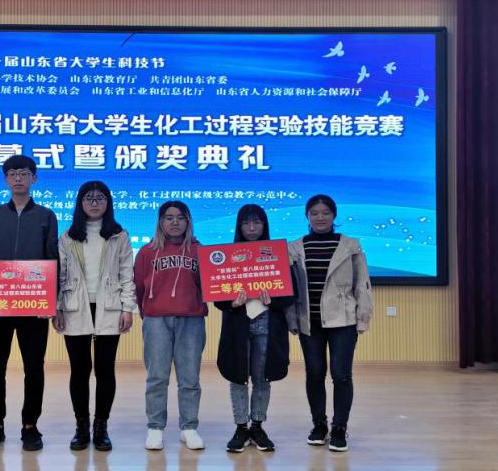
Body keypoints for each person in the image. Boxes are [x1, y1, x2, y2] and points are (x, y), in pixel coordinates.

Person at [0, 155, 59, 452]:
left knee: (34, 367)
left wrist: (51, 301)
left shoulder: (46, 216)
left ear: (34, 178)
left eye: (24, 173)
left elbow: (52, 259)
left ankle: (30, 426)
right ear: (6, 180)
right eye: (12, 174)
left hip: (33, 305)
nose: (18, 178)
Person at [53, 181, 136, 452]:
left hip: (109, 307)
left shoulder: (119, 235)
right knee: (79, 371)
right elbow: (60, 275)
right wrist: (57, 307)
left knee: (104, 369)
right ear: (80, 203)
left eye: (100, 198)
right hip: (75, 306)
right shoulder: (68, 236)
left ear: (108, 203)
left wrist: (127, 308)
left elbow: (127, 274)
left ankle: (101, 427)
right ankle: (81, 427)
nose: (94, 203)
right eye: (89, 198)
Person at [287, 194, 373, 452]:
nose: (320, 217)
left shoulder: (350, 246)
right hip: (309, 322)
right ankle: (319, 425)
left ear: (334, 215)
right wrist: (291, 319)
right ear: (307, 216)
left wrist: (363, 318)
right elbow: (289, 288)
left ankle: (339, 427)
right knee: (314, 374)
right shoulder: (294, 248)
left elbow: (362, 284)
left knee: (341, 374)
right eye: (314, 213)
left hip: (343, 321)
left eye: (325, 213)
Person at [214, 204, 295, 453]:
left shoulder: (277, 255)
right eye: (246, 223)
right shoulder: (228, 255)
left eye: (257, 222)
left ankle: (257, 425)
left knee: (262, 377)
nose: (251, 228)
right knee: (238, 375)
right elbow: (218, 296)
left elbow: (290, 294)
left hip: (267, 325)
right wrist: (231, 302)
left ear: (264, 225)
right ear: (239, 226)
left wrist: (274, 299)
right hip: (238, 326)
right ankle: (241, 426)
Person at [135, 201, 209, 451]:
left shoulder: (200, 251)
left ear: (188, 221)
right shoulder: (146, 252)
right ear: (160, 222)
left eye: (180, 217)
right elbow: (139, 287)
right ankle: (155, 427)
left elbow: (209, 286)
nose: (174, 222)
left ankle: (189, 428)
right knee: (157, 376)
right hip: (156, 320)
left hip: (191, 320)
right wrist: (148, 313)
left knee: (190, 377)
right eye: (169, 217)